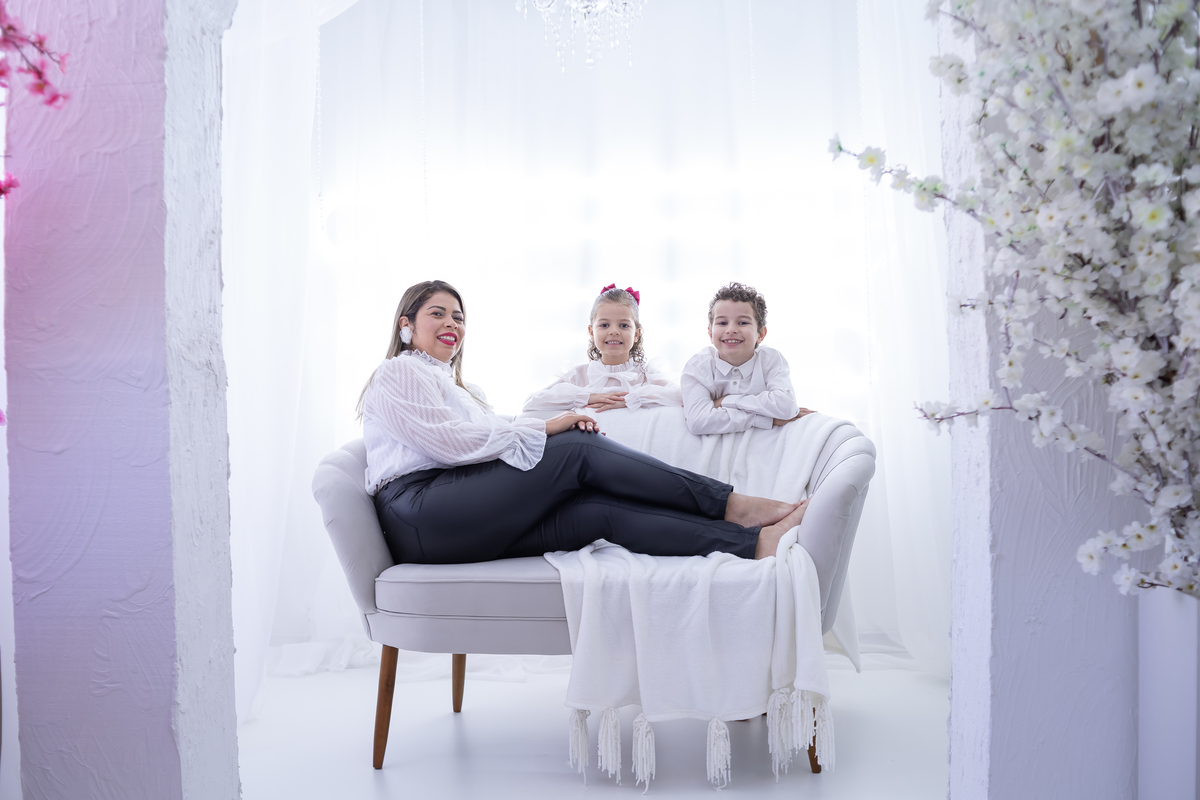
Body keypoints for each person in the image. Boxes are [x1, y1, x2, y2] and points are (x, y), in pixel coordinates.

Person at [358, 279, 807, 566]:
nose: (451, 323)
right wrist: (545, 427)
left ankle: (751, 544)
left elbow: (477, 438)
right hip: (419, 514)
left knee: (595, 515)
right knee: (577, 446)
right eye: (437, 313)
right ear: (405, 324)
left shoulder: (457, 386)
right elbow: (451, 445)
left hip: (448, 523)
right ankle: (736, 506)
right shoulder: (400, 371)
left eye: (458, 316)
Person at [522, 284, 682, 416]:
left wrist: (635, 398)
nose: (614, 331)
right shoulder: (579, 375)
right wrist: (587, 397)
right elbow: (531, 402)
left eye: (624, 325)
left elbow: (683, 397)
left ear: (636, 334)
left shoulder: (647, 374)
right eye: (604, 325)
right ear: (591, 332)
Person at [681, 282, 814, 435]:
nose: (731, 330)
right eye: (722, 323)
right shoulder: (698, 366)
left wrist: (725, 401)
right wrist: (764, 419)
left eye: (743, 322)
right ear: (710, 333)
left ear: (761, 334)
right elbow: (699, 422)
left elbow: (787, 407)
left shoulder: (770, 359)